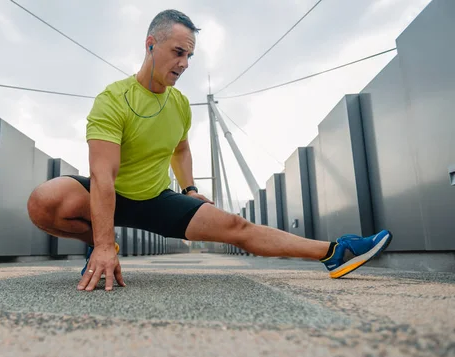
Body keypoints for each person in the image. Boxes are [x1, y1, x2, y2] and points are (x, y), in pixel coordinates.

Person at [27, 9, 393, 292]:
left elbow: (181, 148)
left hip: (155, 198)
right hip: (110, 192)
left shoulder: (180, 104)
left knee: (236, 225)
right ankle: (99, 242)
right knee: (44, 200)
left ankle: (335, 252)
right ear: (150, 43)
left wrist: (188, 189)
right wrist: (104, 244)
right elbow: (102, 176)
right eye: (178, 52)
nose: (184, 63)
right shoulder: (113, 100)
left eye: (189, 56)